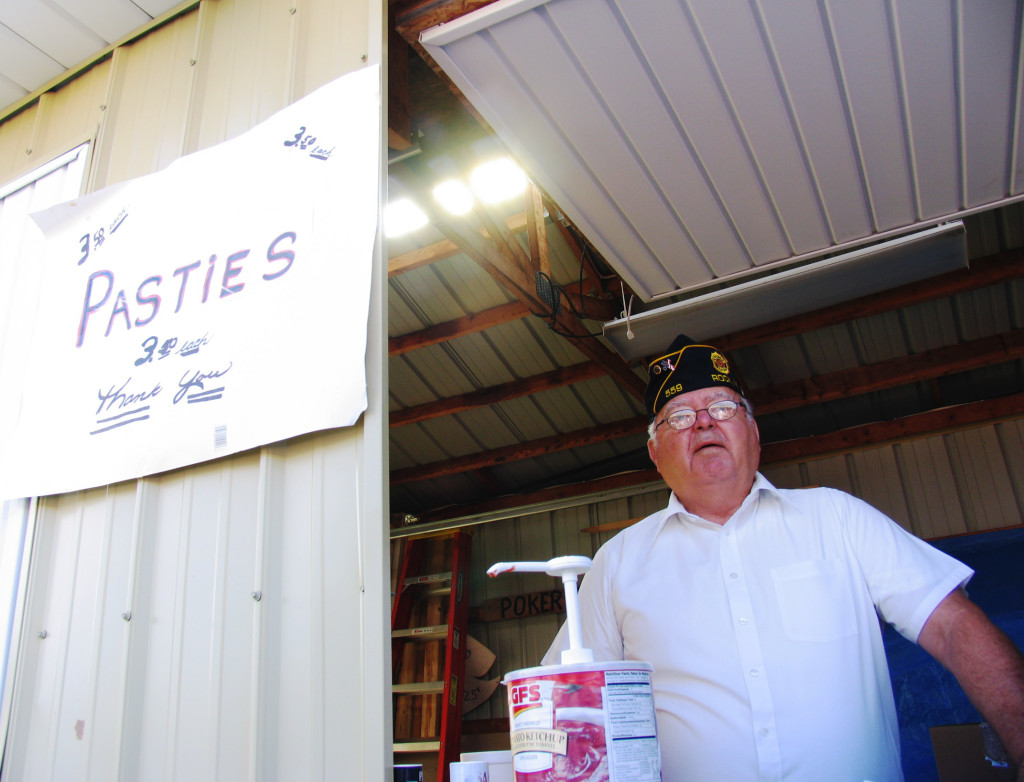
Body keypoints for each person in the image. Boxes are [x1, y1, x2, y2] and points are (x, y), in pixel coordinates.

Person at [543, 334, 1024, 781]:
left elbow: (952, 626)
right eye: (680, 417)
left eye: (723, 406)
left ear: (752, 430)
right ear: (654, 452)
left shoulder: (836, 517)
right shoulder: (617, 562)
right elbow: (561, 702)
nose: (705, 421)